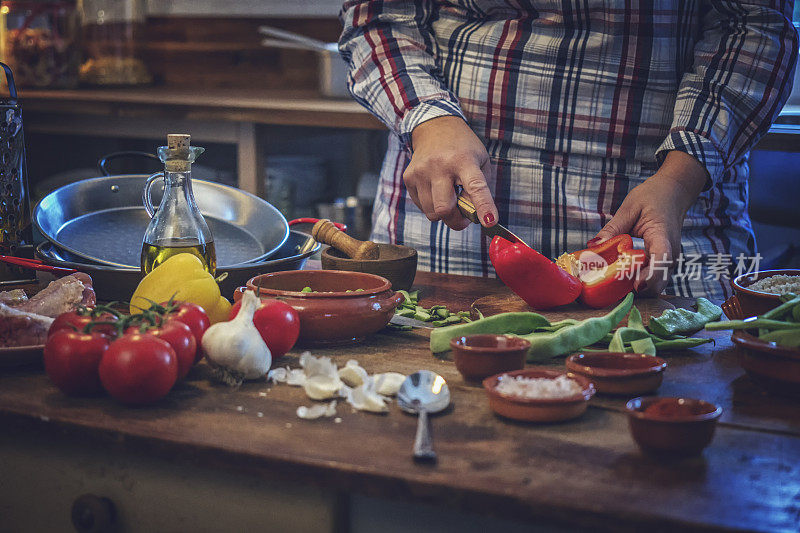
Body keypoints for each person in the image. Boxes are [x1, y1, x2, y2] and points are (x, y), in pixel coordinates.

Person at [339, 1, 798, 299]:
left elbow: (756, 25)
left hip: (670, 220)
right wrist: (428, 119)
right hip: (445, 226)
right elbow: (377, 15)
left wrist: (678, 181)